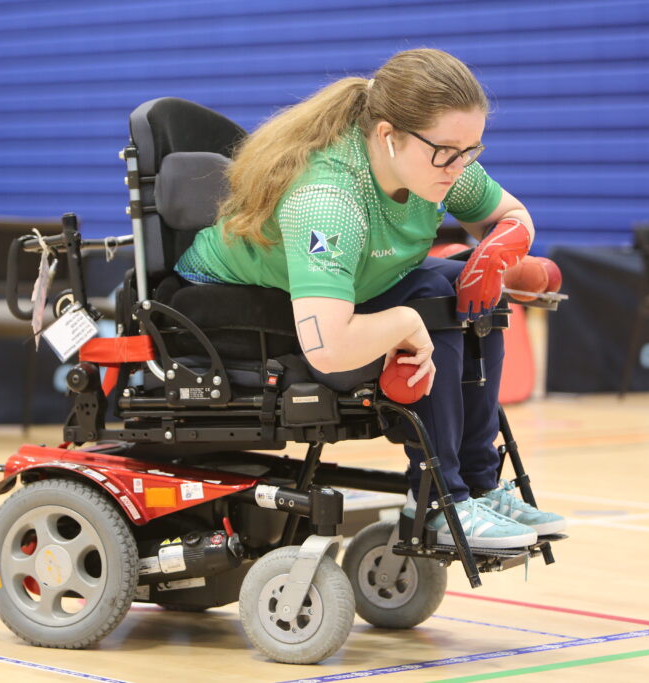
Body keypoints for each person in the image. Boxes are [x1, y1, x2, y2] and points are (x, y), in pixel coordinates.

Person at [175, 49, 565, 549]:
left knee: (468, 286)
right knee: (430, 297)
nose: (460, 166)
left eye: (472, 150)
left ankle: (481, 487)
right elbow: (329, 349)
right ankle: (439, 501)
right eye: (448, 151)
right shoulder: (329, 198)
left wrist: (498, 250)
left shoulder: (438, 159)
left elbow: (511, 214)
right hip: (229, 306)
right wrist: (403, 321)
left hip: (347, 287)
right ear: (388, 135)